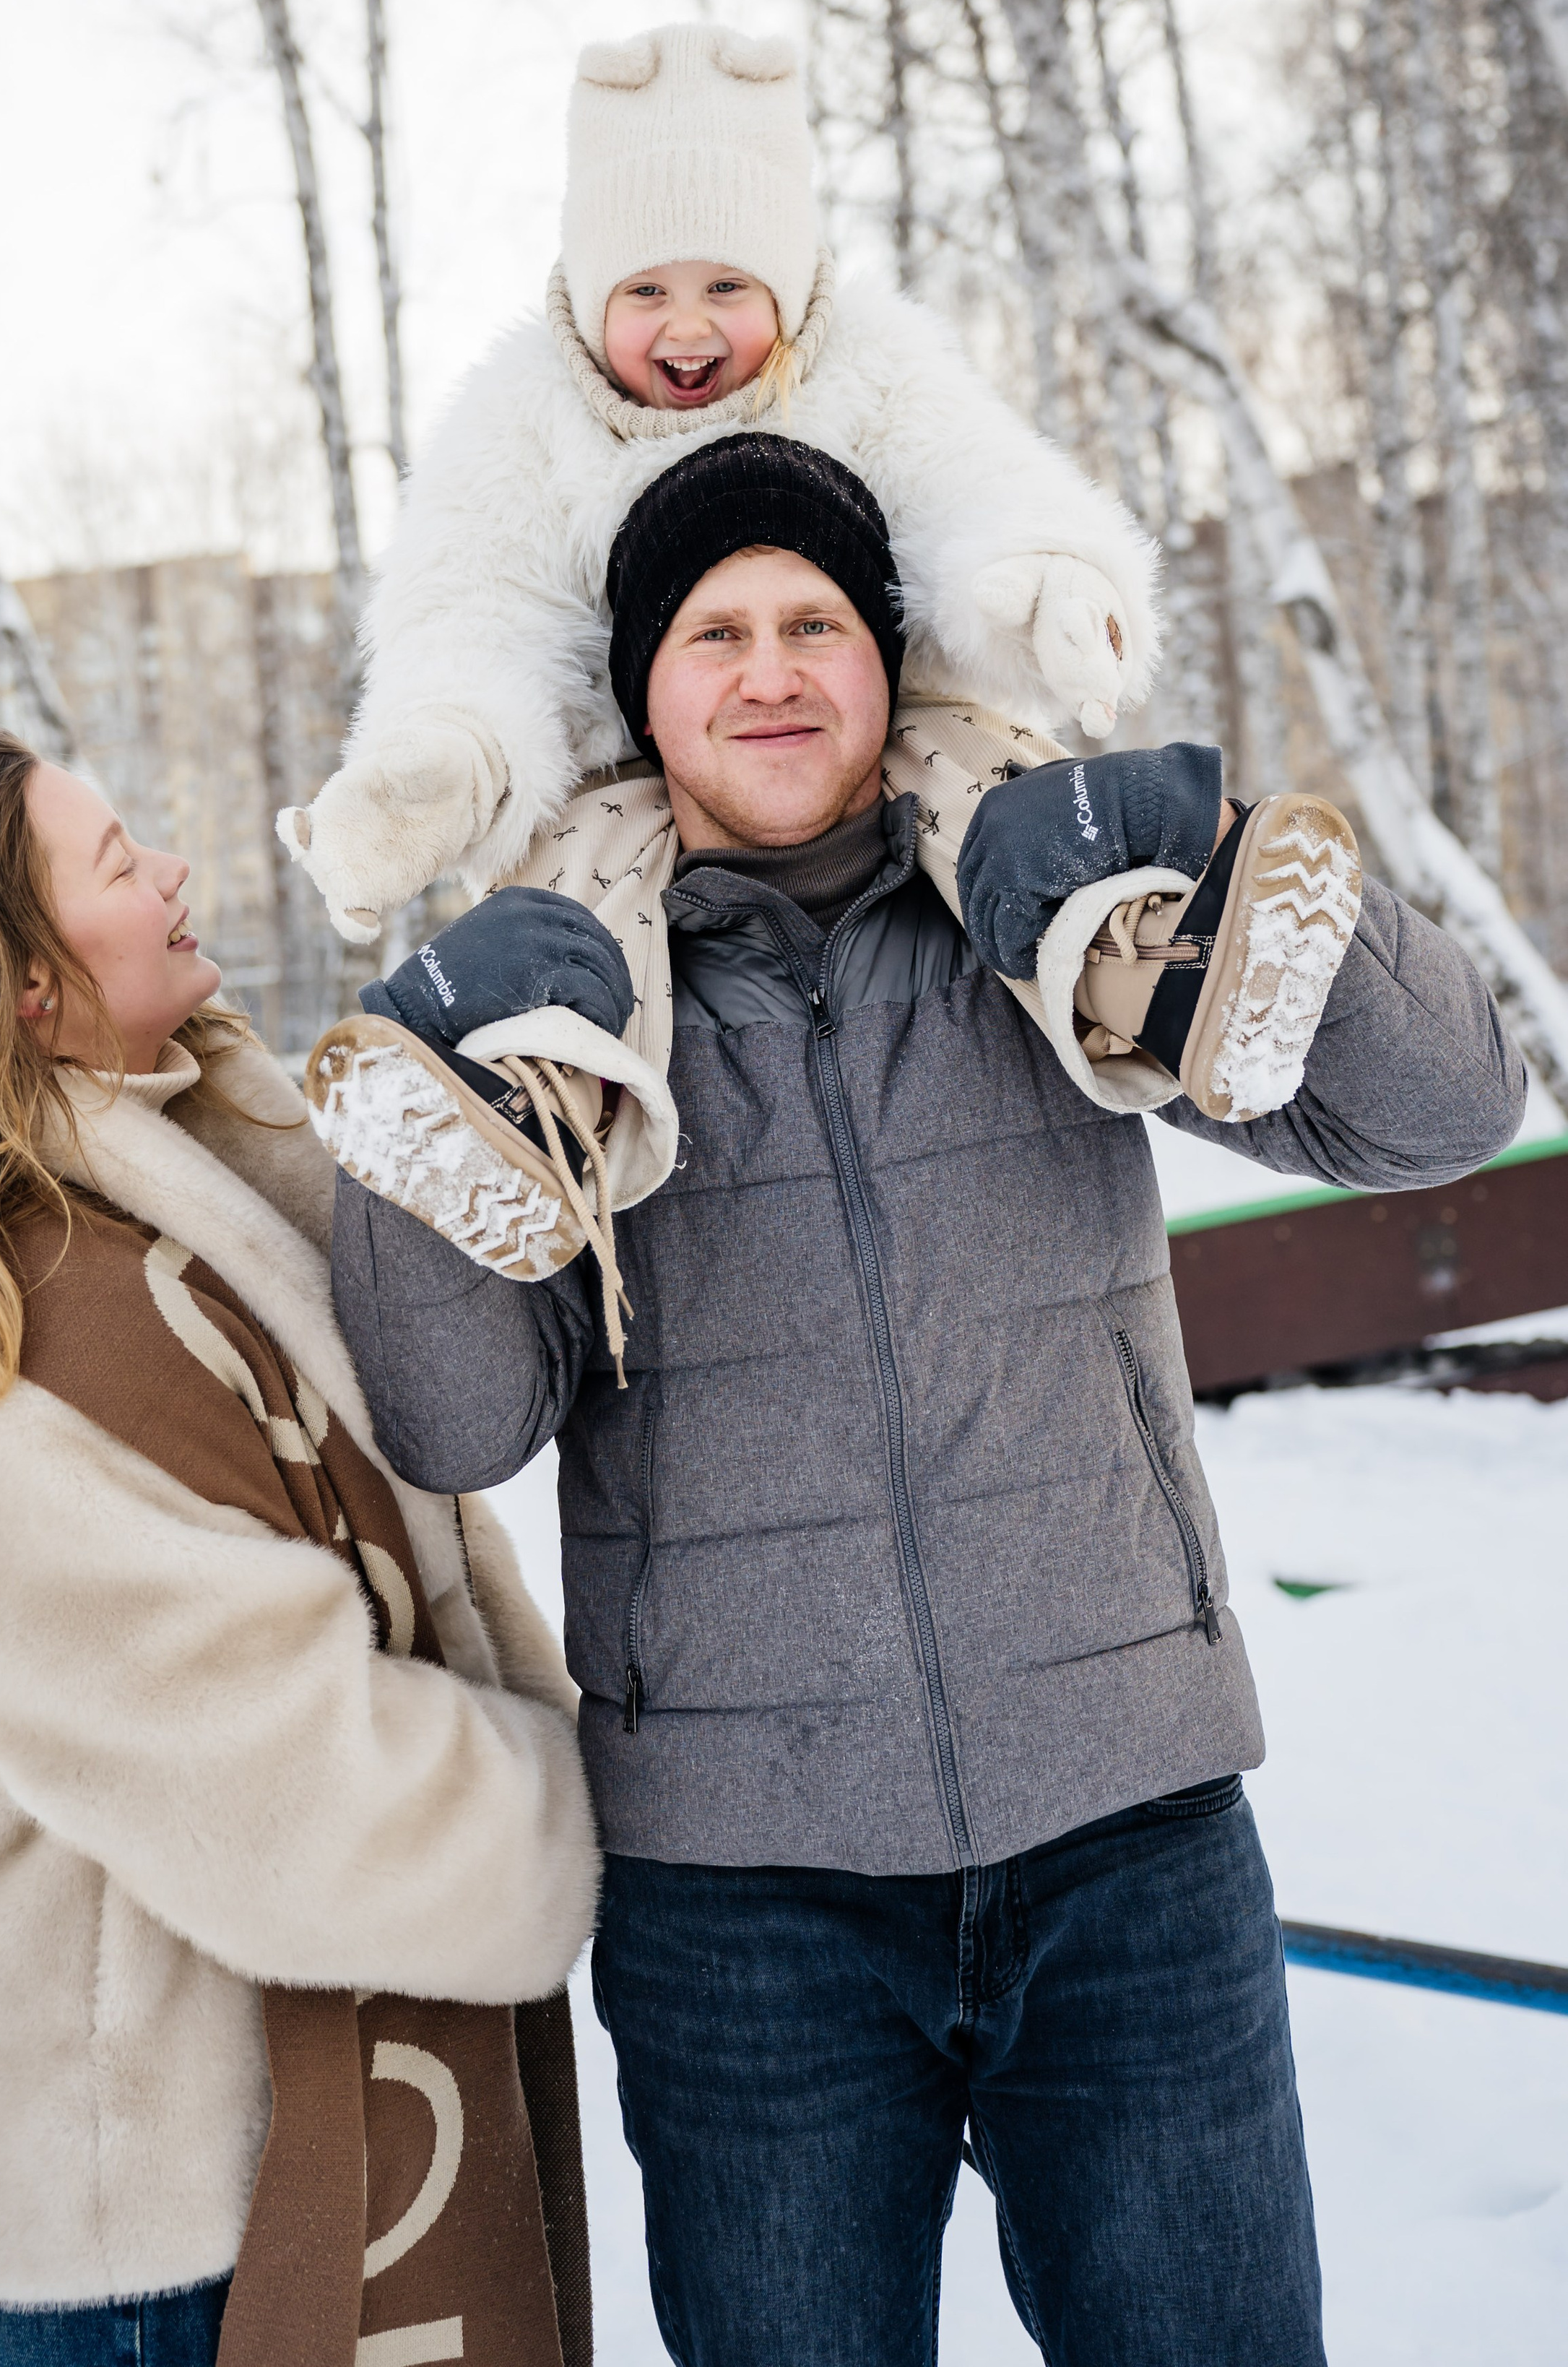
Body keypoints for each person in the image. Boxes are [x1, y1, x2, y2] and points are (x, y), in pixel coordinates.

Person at [310, 443, 1527, 2367]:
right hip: (747, 1910)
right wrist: (439, 1104)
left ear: (885, 661)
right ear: (644, 695)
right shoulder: (572, 1018)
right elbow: (456, 1430)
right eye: (715, 635)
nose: (771, 670)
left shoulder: (1063, 930)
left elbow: (1444, 1114)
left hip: (1127, 1837)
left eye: (814, 623)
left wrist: (1214, 859)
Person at [0, 730, 600, 2367]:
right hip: (146, 2198)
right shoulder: (21, 1369)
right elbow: (301, 1790)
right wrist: (637, 1814)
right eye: (114, 862)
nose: (169, 869)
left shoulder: (191, 1200)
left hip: (249, 2114)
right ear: (28, 985)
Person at [277, 20, 1161, 944]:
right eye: (646, 292)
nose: (688, 326)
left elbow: (978, 485)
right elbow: (470, 612)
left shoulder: (871, 367)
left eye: (727, 288)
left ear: (787, 287)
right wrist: (453, 752)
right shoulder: (520, 421)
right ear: (589, 299)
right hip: (636, 798)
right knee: (569, 900)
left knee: (993, 799)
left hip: (883, 754)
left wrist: (1043, 581)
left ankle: (1113, 951)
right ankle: (549, 1024)